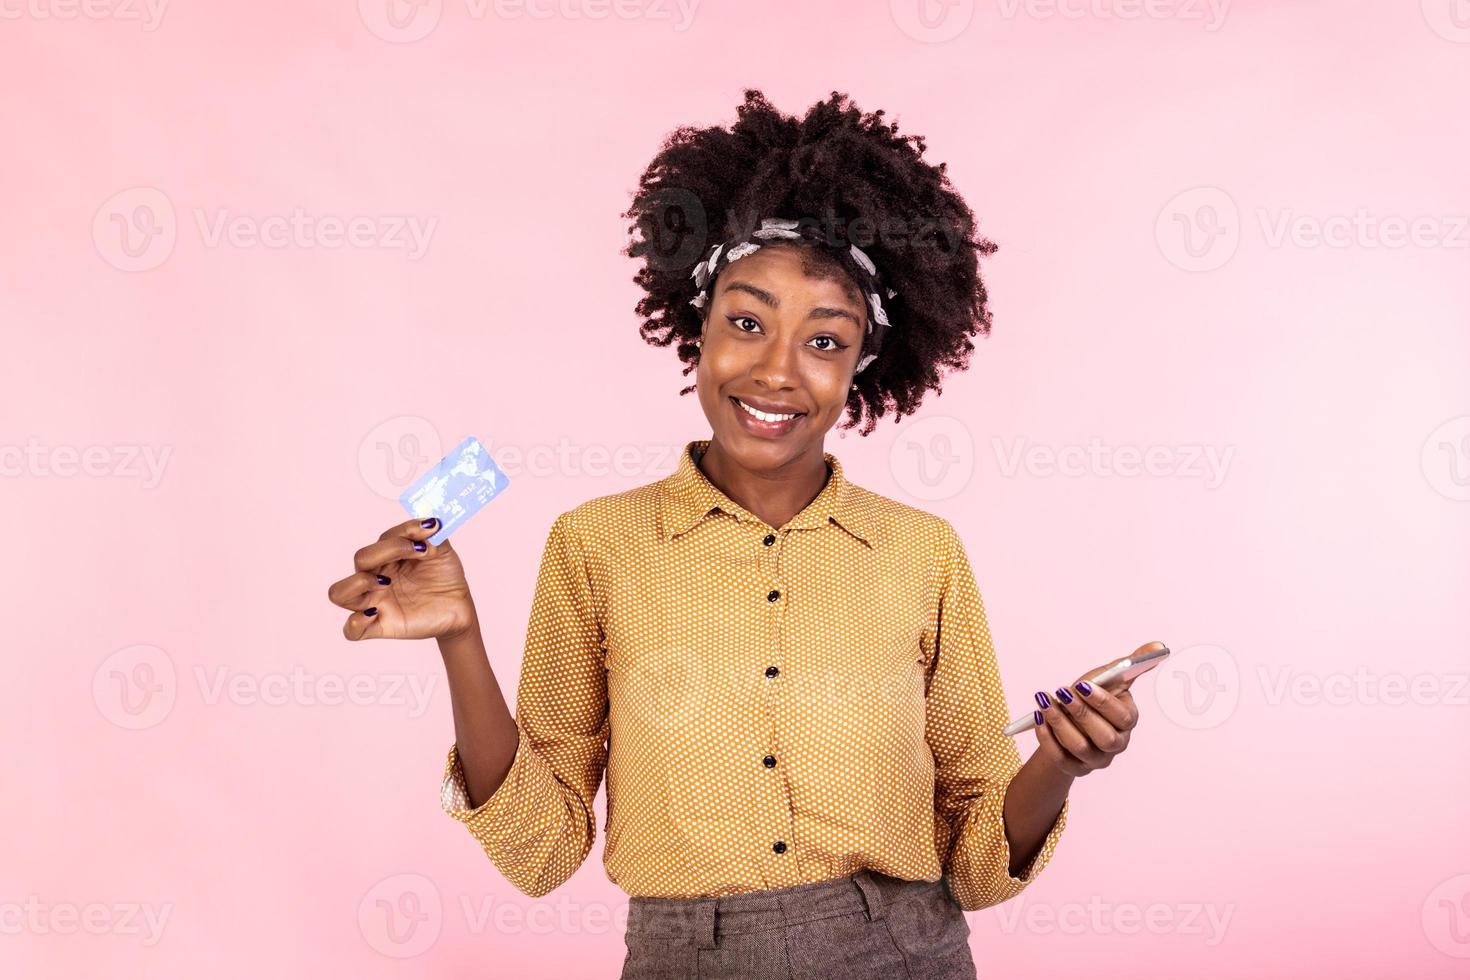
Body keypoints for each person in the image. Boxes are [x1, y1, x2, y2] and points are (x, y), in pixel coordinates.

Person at [326, 89, 1144, 980]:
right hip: (687, 958)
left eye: (824, 341)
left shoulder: (922, 552)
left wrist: (1061, 765)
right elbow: (542, 849)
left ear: (862, 366)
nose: (775, 371)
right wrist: (460, 641)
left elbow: (979, 860)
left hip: (906, 952)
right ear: (698, 327)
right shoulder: (596, 546)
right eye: (746, 323)